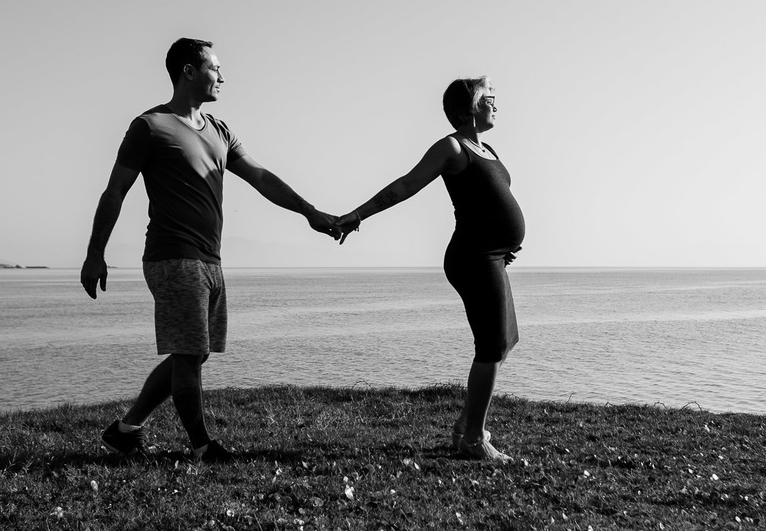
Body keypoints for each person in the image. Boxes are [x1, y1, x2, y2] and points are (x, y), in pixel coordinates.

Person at [80, 37, 339, 463]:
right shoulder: (150, 126)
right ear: (188, 71)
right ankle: (202, 446)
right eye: (215, 68)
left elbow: (261, 177)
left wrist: (309, 212)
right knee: (188, 355)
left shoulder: (219, 130)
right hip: (172, 256)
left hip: (209, 259)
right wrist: (95, 253)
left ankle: (125, 431)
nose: (222, 76)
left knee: (193, 351)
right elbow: (114, 193)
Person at [335, 76, 524, 463]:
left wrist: (506, 243)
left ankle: (464, 424)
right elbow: (405, 186)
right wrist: (358, 215)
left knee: (506, 341)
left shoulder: (486, 147)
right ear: (469, 107)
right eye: (489, 98)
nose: (496, 104)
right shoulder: (451, 147)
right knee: (490, 347)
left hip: (493, 255)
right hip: (472, 256)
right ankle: (473, 438)